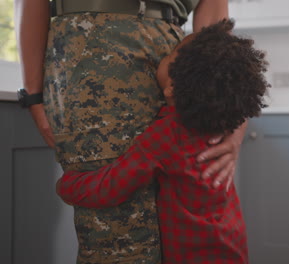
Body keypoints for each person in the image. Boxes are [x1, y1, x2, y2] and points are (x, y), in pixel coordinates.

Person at [15, 0, 247, 263]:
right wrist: (33, 93)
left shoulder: (178, 103)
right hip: (95, 50)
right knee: (116, 242)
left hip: (182, 54)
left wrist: (231, 113)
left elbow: (110, 186)